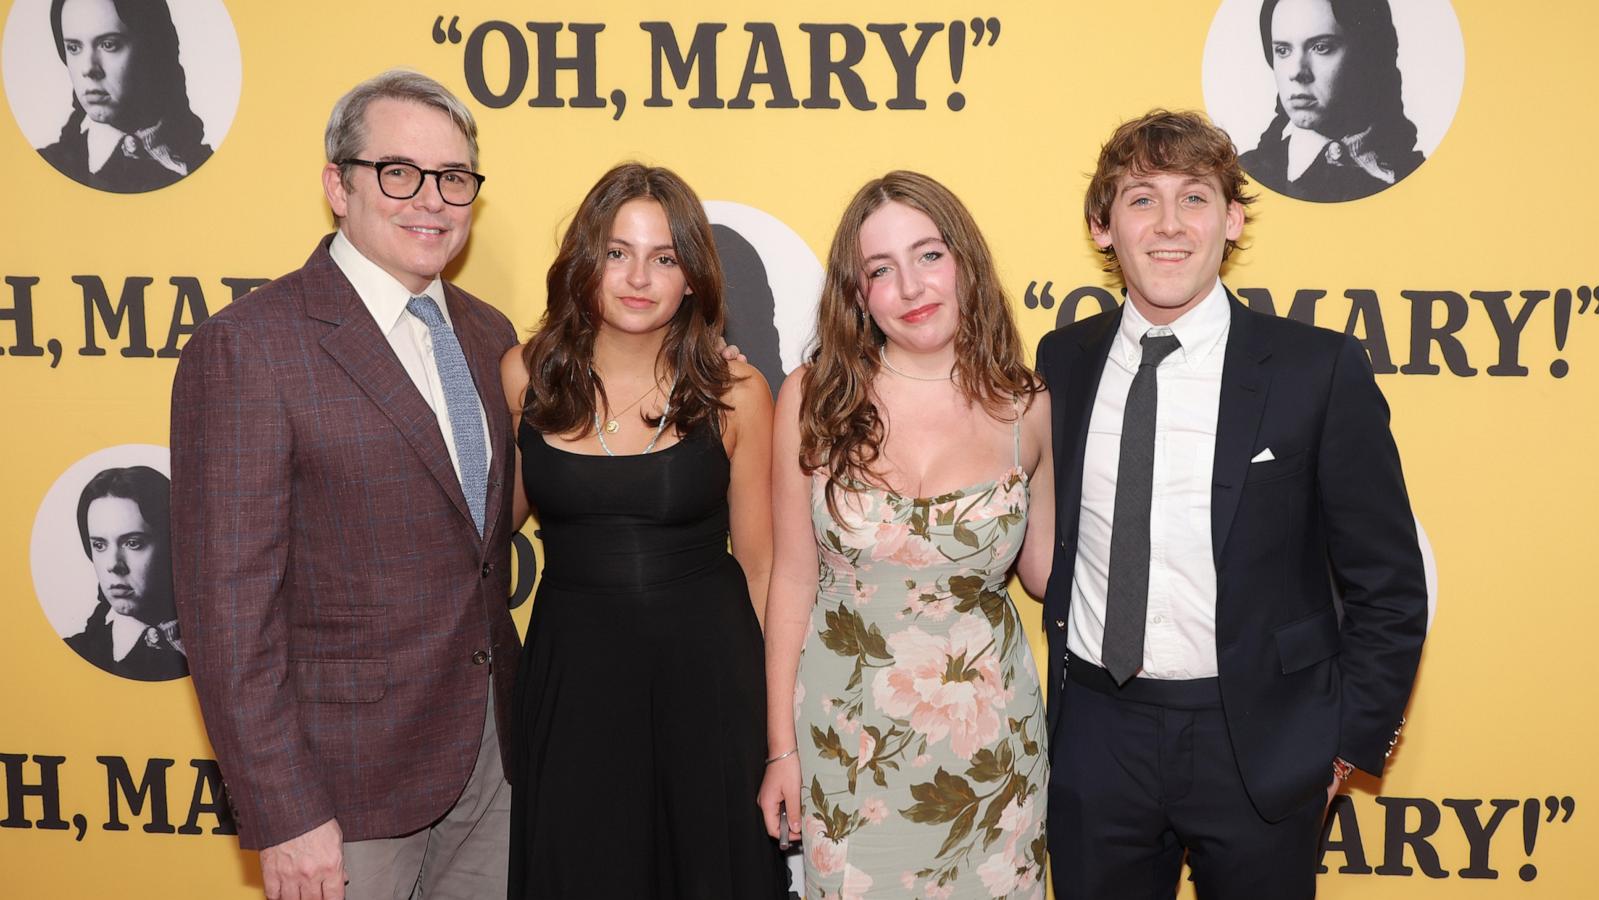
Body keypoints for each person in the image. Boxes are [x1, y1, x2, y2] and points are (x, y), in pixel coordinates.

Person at [1037, 109, 1427, 897]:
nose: (1169, 225)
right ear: (1102, 227)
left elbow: (1387, 580)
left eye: (1195, 198)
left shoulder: (1315, 370)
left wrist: (1344, 743)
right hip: (1098, 734)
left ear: (1233, 220)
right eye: (1142, 199)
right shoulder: (1063, 359)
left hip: (1259, 739)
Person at [170, 70, 519, 900]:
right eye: (398, 172)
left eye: (455, 178)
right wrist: (283, 811)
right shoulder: (249, 350)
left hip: (494, 766)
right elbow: (227, 613)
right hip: (344, 790)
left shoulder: (489, 336)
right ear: (338, 185)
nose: (431, 200)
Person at [758, 171, 1053, 898]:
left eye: (928, 255)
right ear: (857, 295)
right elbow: (791, 580)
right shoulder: (813, 395)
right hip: (845, 742)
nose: (912, 287)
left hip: (991, 750)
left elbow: (1048, 573)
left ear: (965, 261)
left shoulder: (1027, 405)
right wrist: (780, 751)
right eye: (880, 270)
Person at [497, 162, 784, 899]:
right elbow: (494, 525)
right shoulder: (524, 376)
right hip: (573, 683)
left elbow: (762, 570)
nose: (637, 277)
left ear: (692, 277)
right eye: (617, 252)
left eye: (664, 257)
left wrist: (775, 733)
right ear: (585, 260)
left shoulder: (737, 392)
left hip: (709, 683)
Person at [1239, 0, 1425, 202]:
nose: (1296, 72)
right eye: (1283, 50)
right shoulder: (1244, 178)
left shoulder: (1417, 179)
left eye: (1321, 47)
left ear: (1365, 55)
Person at [40, 0, 213, 193]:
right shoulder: (44, 170)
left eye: (108, 44)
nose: (88, 69)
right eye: (73, 48)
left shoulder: (208, 171)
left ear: (151, 50)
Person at [65, 465, 187, 681]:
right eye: (100, 545)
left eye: (133, 543)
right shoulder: (71, 655)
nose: (113, 565)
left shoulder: (223, 650)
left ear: (173, 545)